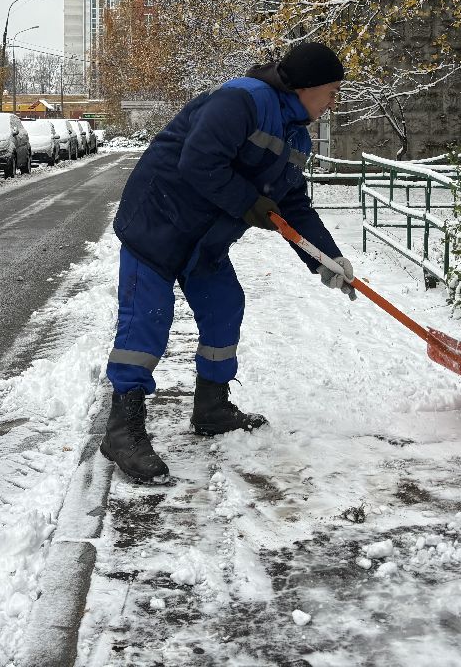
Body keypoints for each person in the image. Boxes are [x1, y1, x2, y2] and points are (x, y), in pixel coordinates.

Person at [101, 41, 357, 483]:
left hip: (204, 240)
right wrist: (249, 204)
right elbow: (198, 160)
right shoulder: (242, 99)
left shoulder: (296, 136)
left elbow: (291, 203)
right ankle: (123, 427)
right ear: (308, 86)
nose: (333, 102)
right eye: (331, 91)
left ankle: (212, 406)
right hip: (157, 223)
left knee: (224, 305)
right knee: (148, 320)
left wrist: (327, 260)